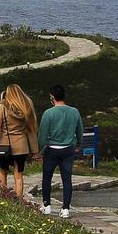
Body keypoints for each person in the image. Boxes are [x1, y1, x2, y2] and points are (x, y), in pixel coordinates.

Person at [0, 83, 39, 203]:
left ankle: (3, 200)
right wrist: (35, 151)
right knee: (19, 176)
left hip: (4, 146)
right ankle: (19, 202)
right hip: (22, 147)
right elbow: (31, 130)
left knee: (3, 173)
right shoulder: (26, 107)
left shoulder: (2, 107)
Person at [39, 84, 83, 217]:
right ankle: (65, 209)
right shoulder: (74, 112)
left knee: (47, 178)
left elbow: (42, 134)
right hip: (68, 150)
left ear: (52, 97)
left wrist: (39, 150)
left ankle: (47, 205)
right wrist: (78, 144)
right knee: (67, 179)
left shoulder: (48, 113)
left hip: (52, 150)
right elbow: (79, 130)